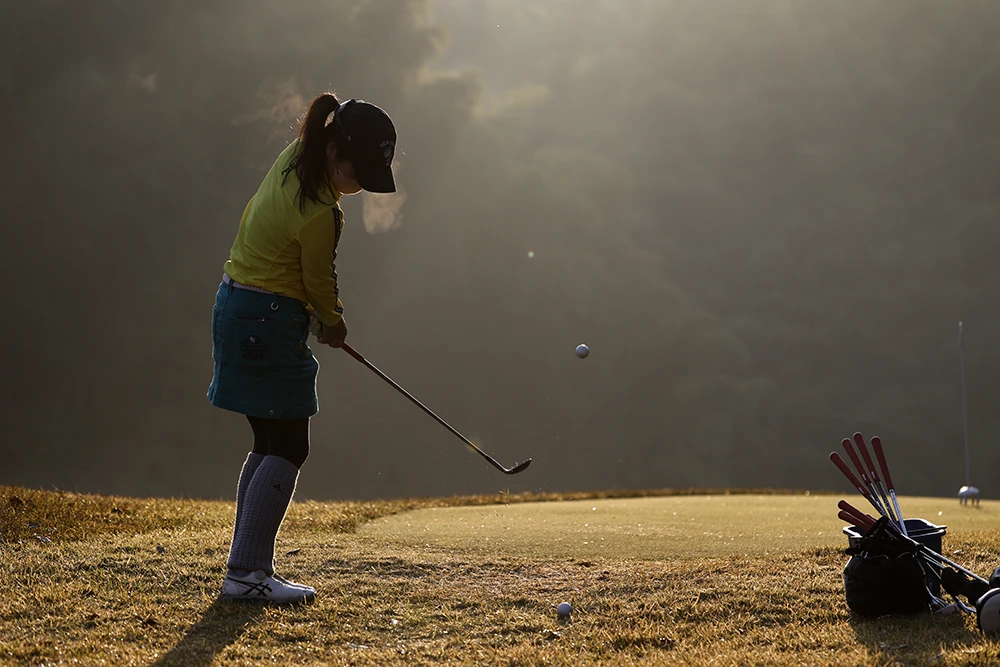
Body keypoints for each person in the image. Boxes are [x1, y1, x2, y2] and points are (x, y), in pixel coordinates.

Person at [207, 92, 397, 604]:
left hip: (235, 305)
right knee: (291, 445)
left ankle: (246, 568)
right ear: (335, 153)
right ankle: (246, 574)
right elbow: (318, 280)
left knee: (270, 441)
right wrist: (333, 323)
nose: (360, 188)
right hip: (267, 320)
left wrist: (315, 315)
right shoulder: (323, 215)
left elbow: (292, 263)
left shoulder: (295, 156)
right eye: (360, 174)